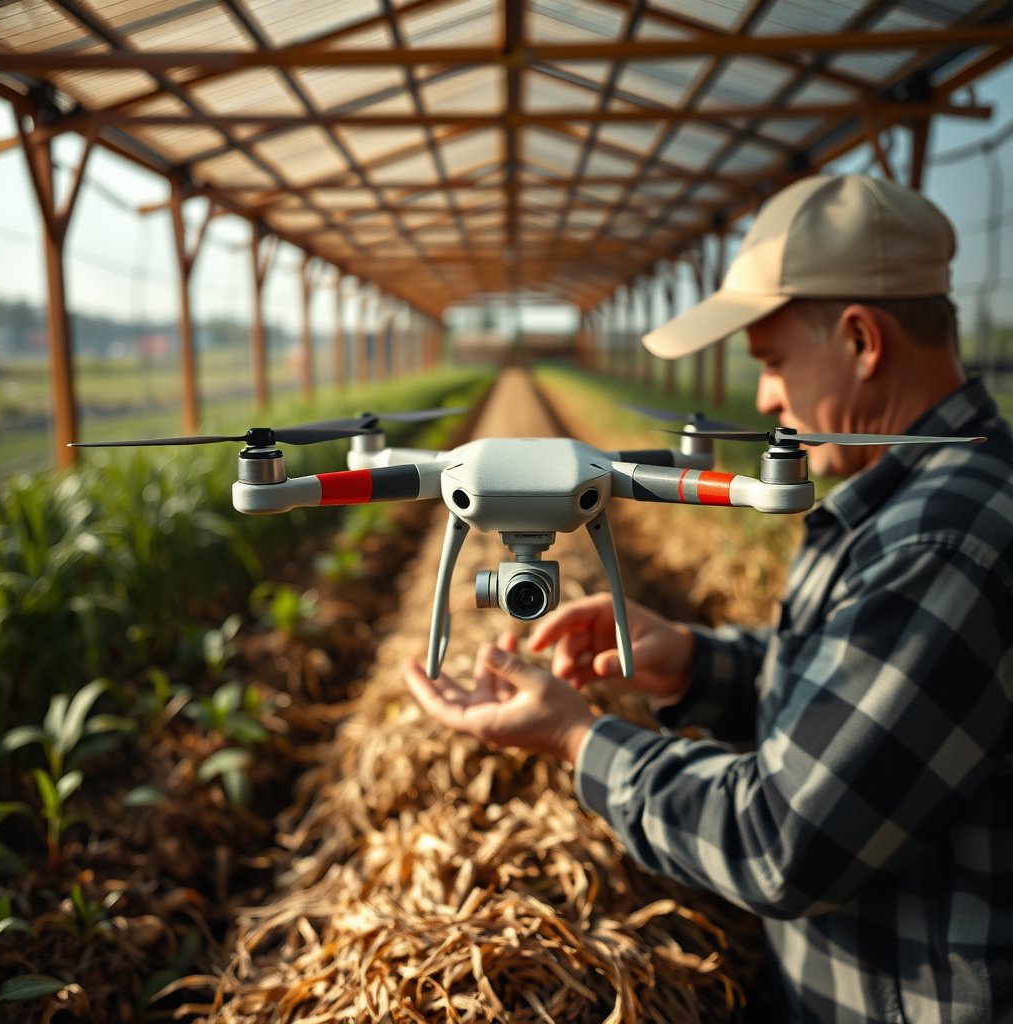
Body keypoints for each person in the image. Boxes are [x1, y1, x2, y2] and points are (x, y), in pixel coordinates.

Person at [404, 174, 1013, 1023]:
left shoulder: (944, 542)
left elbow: (783, 841)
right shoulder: (920, 502)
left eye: (772, 362)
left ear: (861, 340)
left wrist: (577, 738)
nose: (766, 397)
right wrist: (694, 661)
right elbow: (854, 692)